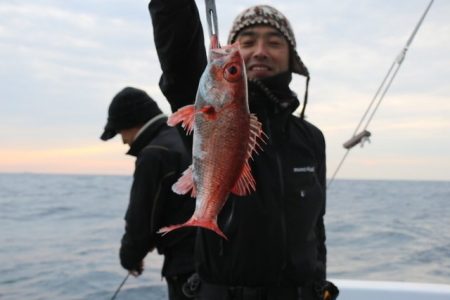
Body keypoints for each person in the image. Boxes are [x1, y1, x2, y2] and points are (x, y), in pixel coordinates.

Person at [149, 2, 339, 300]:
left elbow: (317, 228)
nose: (260, 50)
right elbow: (180, 55)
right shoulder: (206, 104)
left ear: (291, 58)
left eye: (275, 42)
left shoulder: (311, 138)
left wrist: (319, 284)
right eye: (247, 41)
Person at [100, 86, 197, 300]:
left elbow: (140, 219)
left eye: (119, 133)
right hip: (217, 265)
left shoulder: (154, 153)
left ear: (132, 123)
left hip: (186, 269)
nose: (124, 141)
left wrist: (130, 257)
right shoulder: (187, 137)